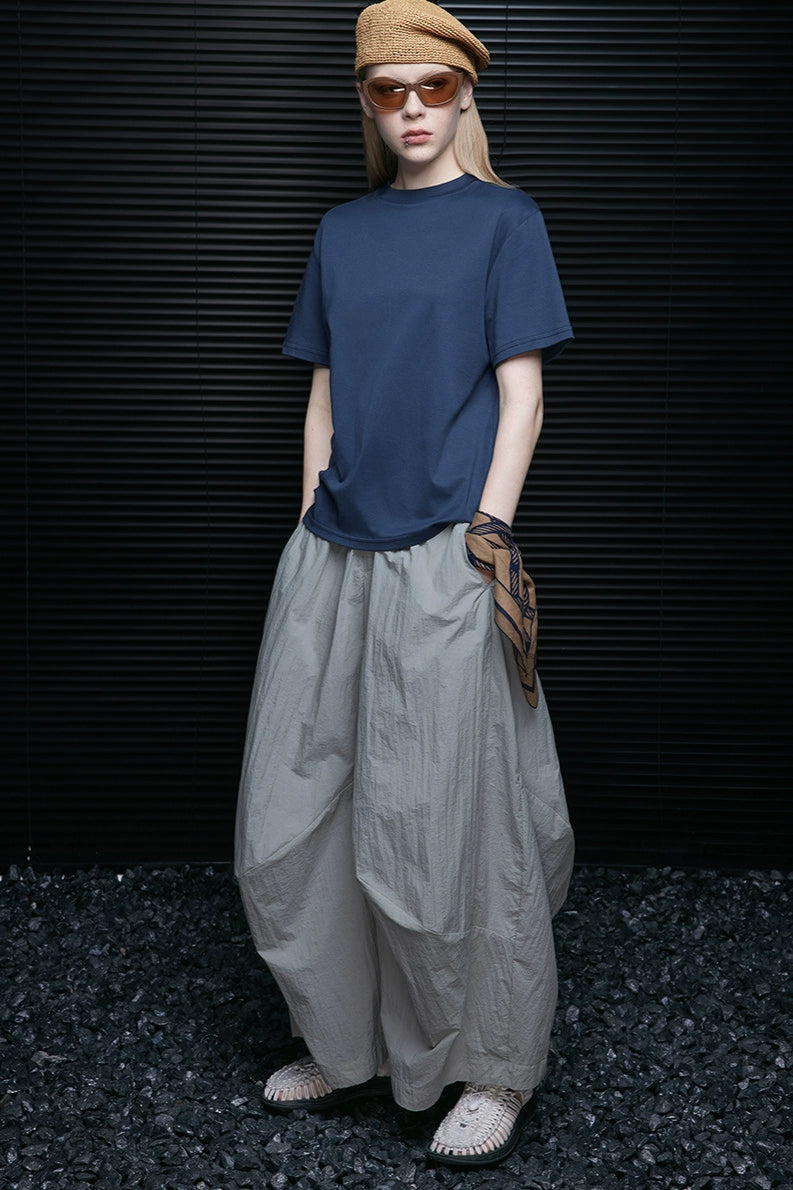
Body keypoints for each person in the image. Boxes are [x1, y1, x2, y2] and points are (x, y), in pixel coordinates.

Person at [234, 0, 575, 1168]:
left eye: (434, 86)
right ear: (367, 104)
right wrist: (305, 524)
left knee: (446, 822)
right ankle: (346, 1042)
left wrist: (489, 530)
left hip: (444, 546)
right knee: (299, 818)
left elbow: (522, 395)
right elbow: (324, 395)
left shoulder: (504, 221)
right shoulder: (343, 230)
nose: (414, 108)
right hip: (333, 550)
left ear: (465, 92)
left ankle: (492, 1063)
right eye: (390, 90)